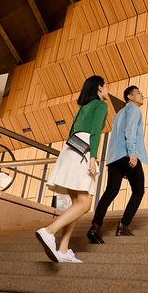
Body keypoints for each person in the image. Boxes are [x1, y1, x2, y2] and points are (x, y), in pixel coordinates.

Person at [35, 75, 108, 263]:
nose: (107, 90)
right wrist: (93, 156)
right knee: (85, 203)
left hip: (69, 150)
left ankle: (64, 249)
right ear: (100, 88)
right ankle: (49, 231)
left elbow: (71, 133)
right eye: (106, 86)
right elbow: (95, 132)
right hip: (83, 150)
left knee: (75, 203)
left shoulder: (82, 108)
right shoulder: (100, 105)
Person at [87, 85, 148, 243]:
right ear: (129, 97)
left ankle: (95, 226)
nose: (141, 95)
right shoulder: (134, 110)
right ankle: (123, 226)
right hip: (128, 154)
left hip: (114, 158)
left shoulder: (119, 114)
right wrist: (132, 153)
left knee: (111, 191)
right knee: (138, 190)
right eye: (138, 93)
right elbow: (130, 131)